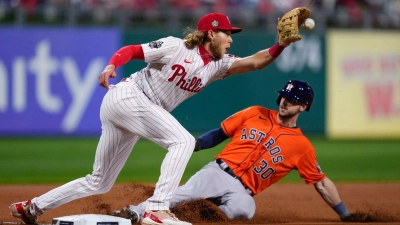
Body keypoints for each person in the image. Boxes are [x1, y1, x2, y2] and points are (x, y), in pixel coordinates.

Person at [9, 12, 297, 225]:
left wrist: (281, 44)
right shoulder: (177, 47)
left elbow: (256, 61)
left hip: (136, 108)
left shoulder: (220, 64)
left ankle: (31, 207)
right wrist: (112, 64)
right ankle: (156, 209)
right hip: (129, 96)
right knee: (183, 141)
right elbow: (132, 51)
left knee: (99, 181)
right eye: (227, 33)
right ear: (211, 33)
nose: (231, 38)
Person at [113, 80, 352, 223]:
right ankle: (132, 213)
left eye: (292, 99)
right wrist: (197, 145)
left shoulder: (302, 147)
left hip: (243, 190)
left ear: (304, 106)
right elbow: (220, 132)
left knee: (244, 211)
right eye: (284, 96)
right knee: (181, 195)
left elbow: (320, 182)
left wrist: (344, 214)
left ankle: (200, 213)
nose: (284, 101)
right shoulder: (255, 112)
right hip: (218, 172)